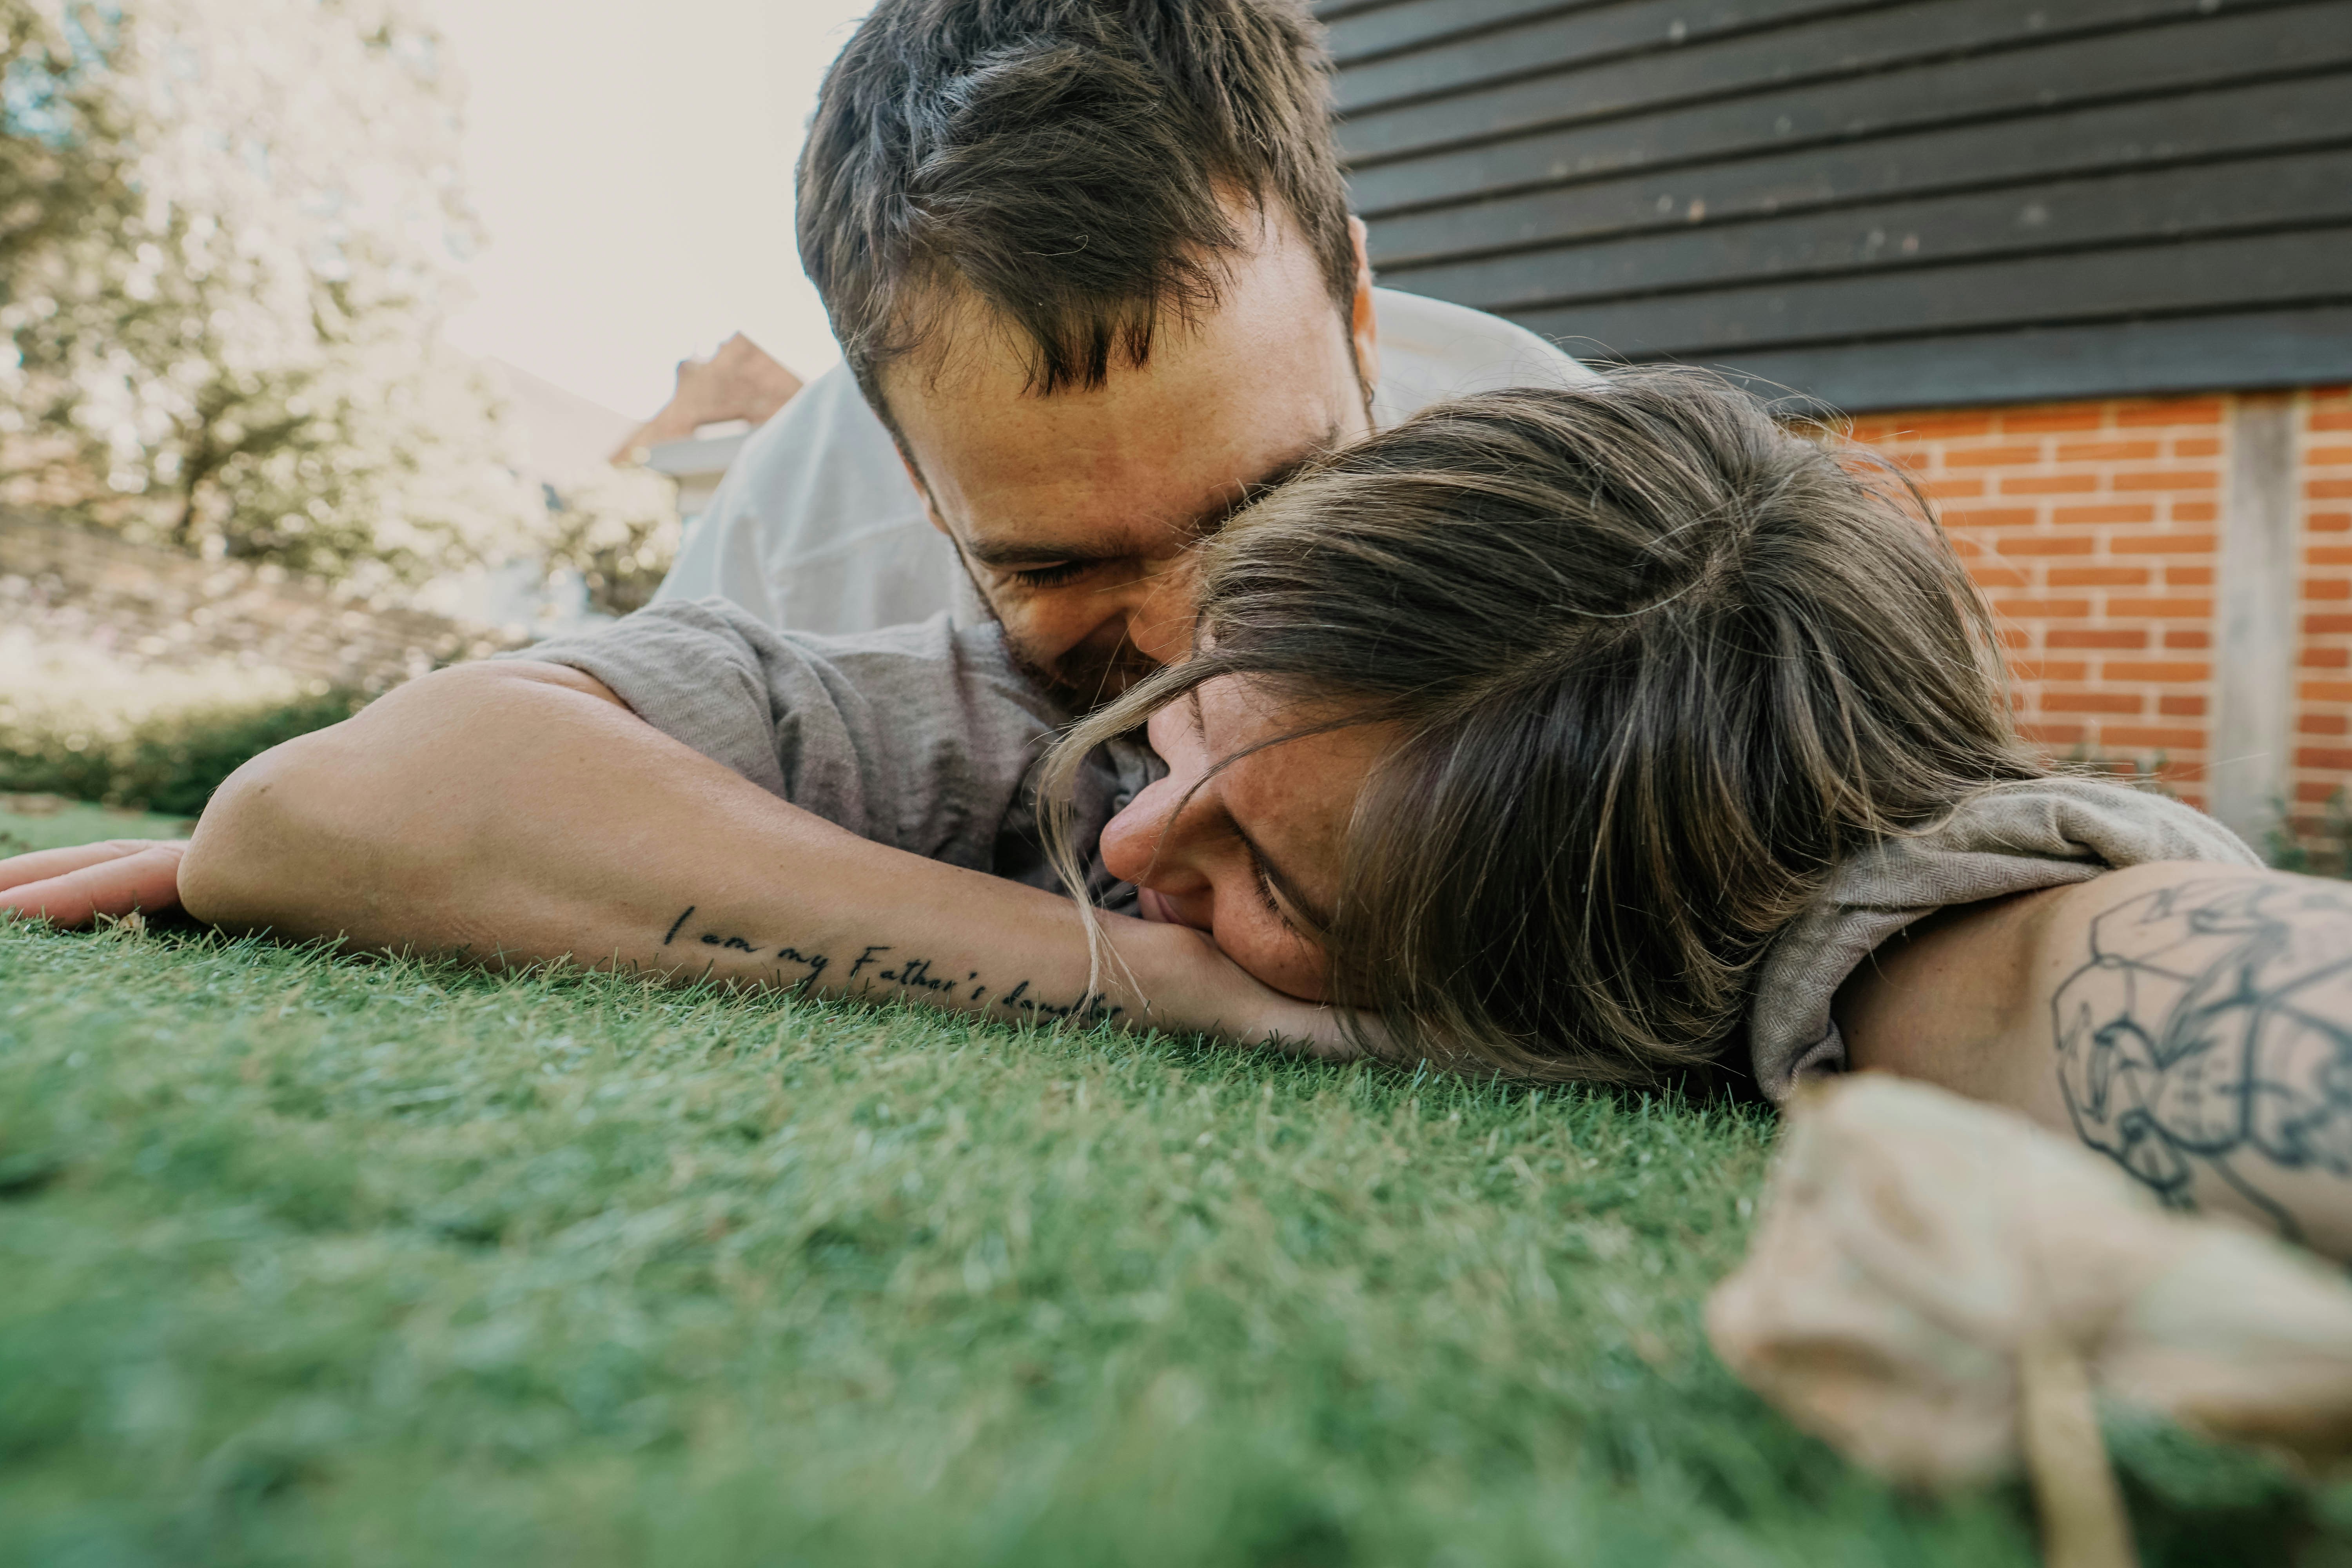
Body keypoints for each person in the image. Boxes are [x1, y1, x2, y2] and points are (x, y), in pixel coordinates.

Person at [10, 370, 2347, 1258]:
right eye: (1200, 729)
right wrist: (1205, 994)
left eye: (1278, 884)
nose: (1144, 834)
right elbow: (333, 813)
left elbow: (2073, 986)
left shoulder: (1785, 889)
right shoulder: (1103, 711)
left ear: (1564, 983)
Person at [652, 0, 1593, 681]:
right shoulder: (786, 546)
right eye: (1056, 566)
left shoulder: (1579, 498)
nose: (1194, 645)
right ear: (906, 466)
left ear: (1359, 317)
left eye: (1269, 507)